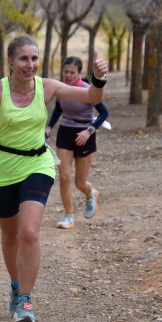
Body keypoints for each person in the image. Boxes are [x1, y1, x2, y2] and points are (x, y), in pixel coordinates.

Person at [0, 35, 108, 322]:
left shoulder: (47, 86)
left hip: (38, 163)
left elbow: (91, 98)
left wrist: (97, 78)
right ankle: (15, 285)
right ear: (10, 61)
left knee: (29, 232)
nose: (30, 64)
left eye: (34, 58)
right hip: (2, 170)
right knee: (10, 235)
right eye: (23, 58)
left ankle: (26, 301)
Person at [45, 56, 109, 229]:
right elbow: (59, 109)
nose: (67, 75)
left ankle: (91, 192)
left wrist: (89, 131)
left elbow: (104, 113)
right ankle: (69, 217)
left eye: (72, 72)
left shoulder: (88, 90)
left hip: (85, 135)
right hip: (65, 133)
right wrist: (49, 126)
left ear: (79, 73)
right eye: (65, 71)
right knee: (64, 176)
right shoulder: (61, 89)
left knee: (79, 182)